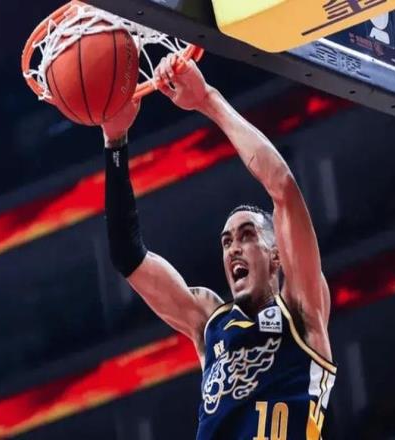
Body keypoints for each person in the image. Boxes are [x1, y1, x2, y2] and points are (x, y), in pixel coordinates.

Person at [101, 54, 337, 440]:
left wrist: (207, 99)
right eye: (227, 242)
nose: (233, 249)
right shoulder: (208, 322)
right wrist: (115, 141)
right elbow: (128, 257)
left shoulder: (302, 309)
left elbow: (282, 187)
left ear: (276, 254)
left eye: (247, 236)